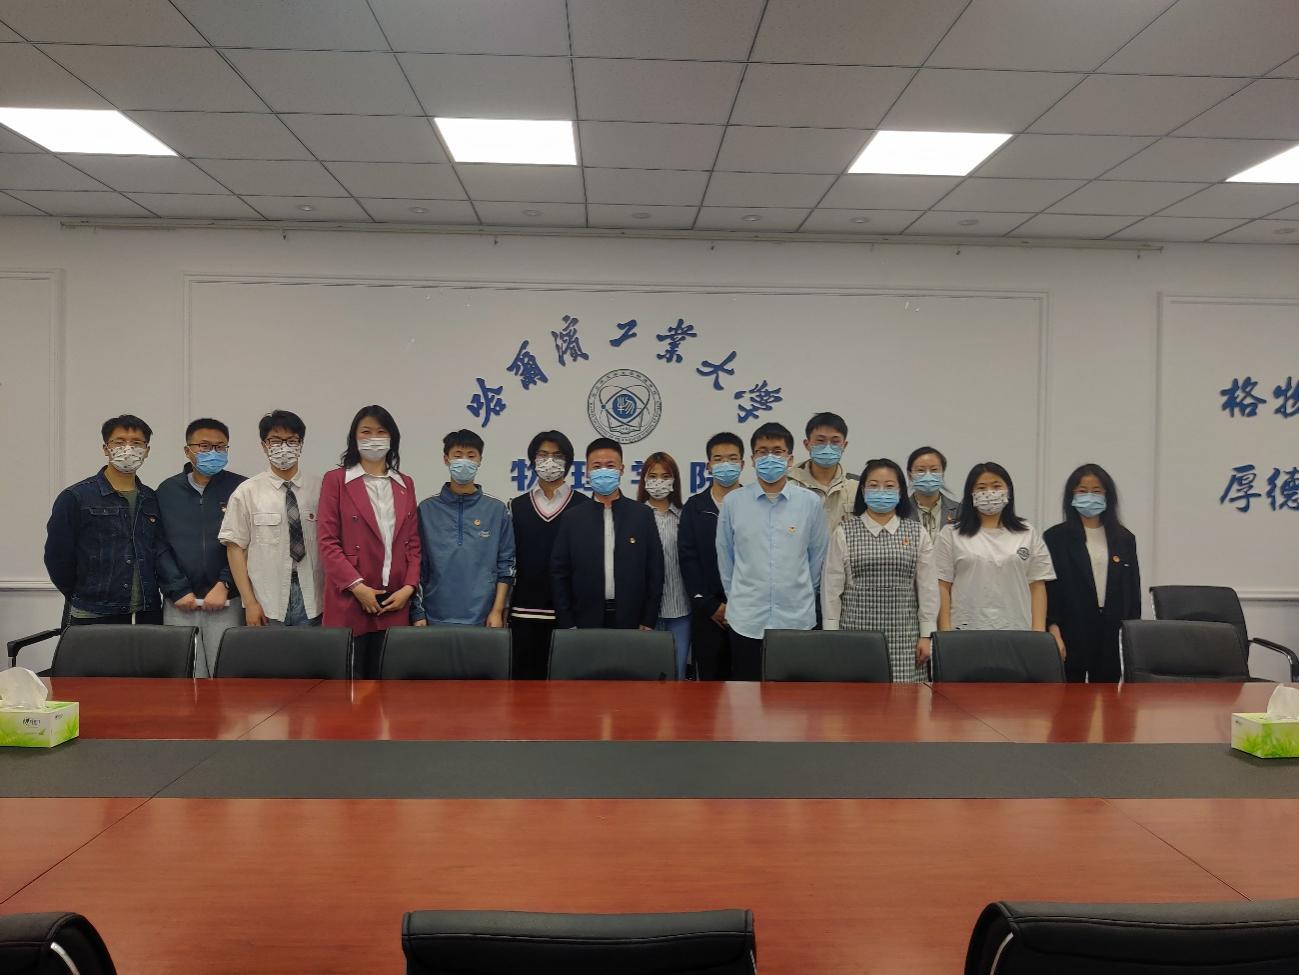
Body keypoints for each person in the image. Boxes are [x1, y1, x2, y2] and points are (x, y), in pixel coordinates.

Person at [716, 421, 830, 680]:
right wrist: (736, 599)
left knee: (792, 699)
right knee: (746, 697)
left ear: (790, 459)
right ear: (752, 459)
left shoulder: (810, 503)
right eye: (762, 451)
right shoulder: (733, 502)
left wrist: (801, 591)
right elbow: (726, 559)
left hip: (796, 619)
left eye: (777, 451)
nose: (770, 457)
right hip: (746, 620)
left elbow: (817, 558)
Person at [316, 406, 421, 679]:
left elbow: (413, 543)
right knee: (348, 687)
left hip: (395, 600)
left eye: (381, 432)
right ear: (354, 437)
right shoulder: (336, 480)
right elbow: (327, 541)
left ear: (392, 438)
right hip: (350, 598)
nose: (374, 438)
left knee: (388, 686)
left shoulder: (405, 483)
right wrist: (357, 587)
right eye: (366, 432)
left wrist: (409, 588)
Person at [822, 458, 939, 683]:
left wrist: (927, 634)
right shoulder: (844, 531)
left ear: (901, 491)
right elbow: (831, 590)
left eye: (889, 486)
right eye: (874, 486)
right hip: (854, 633)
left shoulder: (917, 532)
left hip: (905, 637)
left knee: (904, 701)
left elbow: (928, 589)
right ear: (862, 491)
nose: (881, 491)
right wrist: (831, 634)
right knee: (857, 699)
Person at [44, 414, 166, 626]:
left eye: (136, 443)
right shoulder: (76, 497)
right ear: (106, 448)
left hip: (147, 612)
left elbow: (159, 550)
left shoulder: (151, 498)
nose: (128, 449)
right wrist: (86, 595)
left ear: (147, 451)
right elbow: (57, 557)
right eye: (119, 442)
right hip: (93, 613)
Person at [156, 417, 247, 676]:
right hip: (180, 602)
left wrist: (225, 583)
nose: (213, 453)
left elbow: (247, 542)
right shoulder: (167, 490)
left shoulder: (242, 488)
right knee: (184, 678)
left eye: (220, 447)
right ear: (188, 451)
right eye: (204, 446)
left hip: (227, 600)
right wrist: (177, 589)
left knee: (227, 675)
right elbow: (158, 545)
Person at [218, 410, 324, 628]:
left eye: (291, 440)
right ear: (264, 445)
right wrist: (249, 602)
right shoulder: (247, 492)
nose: (284, 447)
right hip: (267, 600)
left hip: (315, 597)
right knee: (270, 651)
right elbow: (235, 548)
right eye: (275, 441)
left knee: (313, 651)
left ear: (301, 444)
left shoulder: (321, 488)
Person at [551, 438, 663, 631]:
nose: (603, 471)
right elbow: (559, 572)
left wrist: (648, 618)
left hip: (632, 620)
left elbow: (655, 570)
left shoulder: (641, 515)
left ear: (621, 469)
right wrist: (567, 622)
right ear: (587, 470)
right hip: (584, 620)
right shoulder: (573, 518)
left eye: (610, 465)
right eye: (597, 466)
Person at [1044, 464, 1141, 682]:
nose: (1090, 496)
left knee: (1108, 695)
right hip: (1071, 627)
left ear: (1108, 496)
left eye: (1096, 491)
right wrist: (1052, 628)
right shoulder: (1055, 538)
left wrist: (1131, 635)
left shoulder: (1124, 538)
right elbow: (1050, 590)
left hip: (1111, 628)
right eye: (1082, 490)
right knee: (1068, 694)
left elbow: (1132, 590)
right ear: (1071, 495)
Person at [410, 429, 515, 628]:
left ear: (480, 460)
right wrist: (418, 612)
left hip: (483, 618)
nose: (464, 461)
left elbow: (506, 564)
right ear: (446, 459)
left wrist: (497, 610)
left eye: (471, 456)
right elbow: (416, 564)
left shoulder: (497, 510)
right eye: (457, 455)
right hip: (434, 616)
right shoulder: (426, 509)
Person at [935, 462, 1055, 634]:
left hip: (1018, 629)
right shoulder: (951, 534)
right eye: (981, 487)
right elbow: (942, 586)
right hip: (965, 630)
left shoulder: (1027, 533)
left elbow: (1037, 585)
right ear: (971, 494)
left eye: (996, 486)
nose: (989, 493)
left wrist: (1038, 632)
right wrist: (945, 634)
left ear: (1008, 491)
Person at [508, 430, 591, 678]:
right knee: (524, 690)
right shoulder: (517, 506)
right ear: (533, 460)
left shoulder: (584, 506)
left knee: (567, 690)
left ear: (568, 462)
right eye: (543, 455)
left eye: (557, 455)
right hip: (524, 613)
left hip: (569, 617)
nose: (550, 461)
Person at [679, 432, 745, 680]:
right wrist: (710, 606)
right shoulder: (694, 507)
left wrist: (741, 606)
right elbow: (688, 560)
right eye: (718, 459)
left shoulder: (754, 504)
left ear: (742, 464)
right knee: (710, 689)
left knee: (748, 686)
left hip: (749, 612)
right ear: (708, 465)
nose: (726, 464)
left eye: (732, 458)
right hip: (708, 613)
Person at [638, 451, 690, 679]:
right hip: (644, 613)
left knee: (677, 675)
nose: (658, 482)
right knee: (647, 678)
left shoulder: (685, 516)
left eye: (665, 476)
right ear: (644, 480)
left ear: (674, 480)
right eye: (653, 476)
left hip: (680, 609)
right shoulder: (634, 517)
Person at [787, 411, 858, 528]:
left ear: (844, 445)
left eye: (835, 442)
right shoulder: (787, 483)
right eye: (820, 441)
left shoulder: (857, 486)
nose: (827, 447)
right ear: (807, 444)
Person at [905, 445, 961, 541]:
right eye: (920, 470)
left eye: (934, 470)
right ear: (909, 475)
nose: (928, 475)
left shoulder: (960, 511)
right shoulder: (899, 512)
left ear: (942, 473)